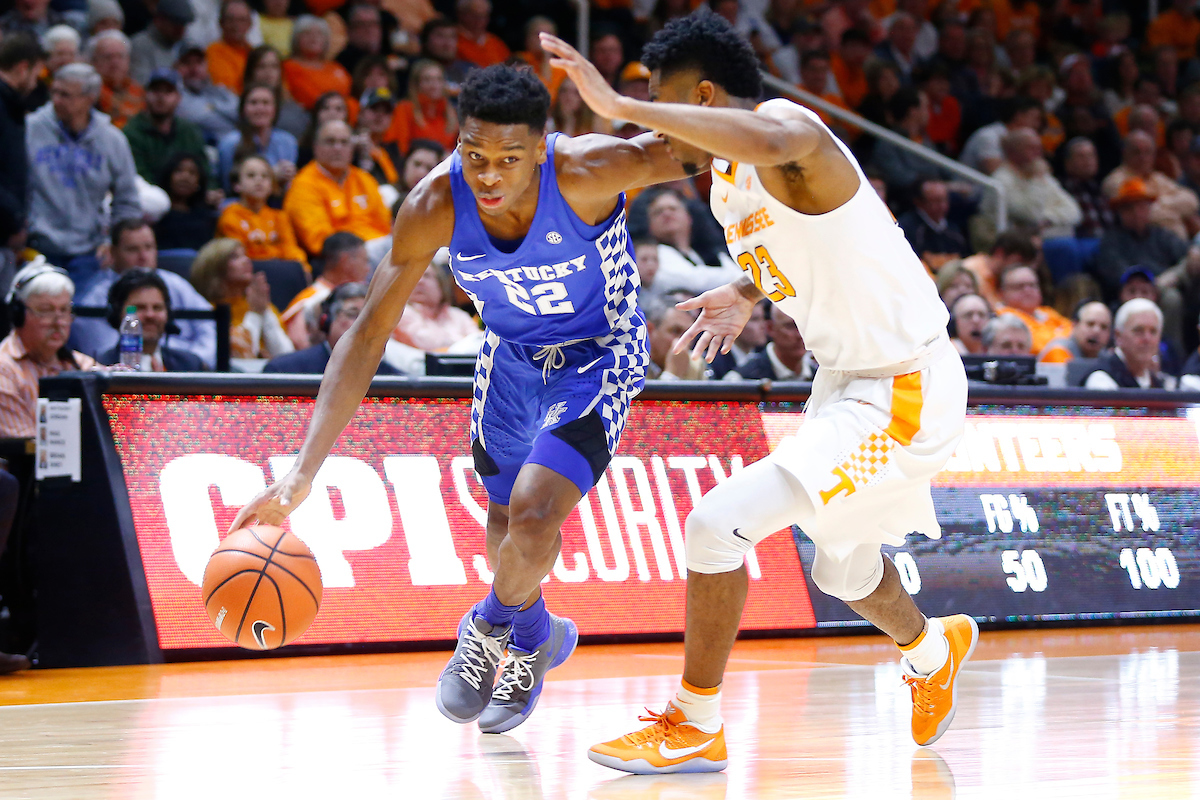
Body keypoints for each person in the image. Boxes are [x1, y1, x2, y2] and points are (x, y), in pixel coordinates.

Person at [542, 13, 976, 773]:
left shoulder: (788, 127)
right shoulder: (723, 185)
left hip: (906, 387)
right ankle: (931, 649)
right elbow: (804, 243)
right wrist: (747, 290)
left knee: (714, 526)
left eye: (666, 103)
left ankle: (695, 723)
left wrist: (622, 106)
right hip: (846, 382)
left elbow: (776, 145)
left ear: (705, 97)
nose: (660, 128)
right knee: (843, 572)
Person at [229, 63, 688, 738]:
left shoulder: (591, 171)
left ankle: (489, 625)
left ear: (541, 147)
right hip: (507, 356)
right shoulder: (434, 204)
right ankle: (538, 635)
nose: (489, 177)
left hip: (599, 352)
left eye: (508, 159)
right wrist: (300, 474)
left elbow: (715, 147)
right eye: (474, 156)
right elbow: (365, 337)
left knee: (534, 515)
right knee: (505, 521)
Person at [26, 62, 141, 286]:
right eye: (55, 92)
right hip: (37, 246)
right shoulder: (30, 129)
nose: (57, 100)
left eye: (66, 95)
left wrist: (114, 242)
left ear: (90, 98)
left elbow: (127, 199)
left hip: (89, 252)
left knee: (85, 317)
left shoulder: (111, 139)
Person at [71, 219, 217, 365]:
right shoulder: (94, 297)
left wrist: (190, 360)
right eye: (133, 249)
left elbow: (210, 329)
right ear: (113, 253)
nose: (143, 256)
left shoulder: (176, 284)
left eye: (148, 247)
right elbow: (105, 353)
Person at [0, 260, 96, 439]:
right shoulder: (3, 370)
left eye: (64, 310)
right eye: (46, 311)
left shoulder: (83, 365)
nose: (58, 322)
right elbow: (28, 450)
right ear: (18, 314)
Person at [284, 120, 392, 261]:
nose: (337, 148)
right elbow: (319, 241)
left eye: (344, 142)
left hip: (379, 249)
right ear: (316, 147)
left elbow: (385, 225)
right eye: (330, 142)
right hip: (339, 258)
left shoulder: (364, 179)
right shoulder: (303, 185)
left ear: (352, 148)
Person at [190, 237, 293, 360]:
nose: (246, 260)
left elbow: (287, 355)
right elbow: (240, 356)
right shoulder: (208, 310)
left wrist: (264, 312)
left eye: (245, 255)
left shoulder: (260, 304)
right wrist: (255, 313)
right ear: (215, 267)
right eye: (235, 257)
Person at [264, 282, 400, 373]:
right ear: (327, 321)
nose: (362, 323)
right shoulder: (284, 371)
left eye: (369, 317)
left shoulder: (394, 380)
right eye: (353, 314)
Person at [94, 268, 207, 371]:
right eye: (139, 308)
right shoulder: (101, 366)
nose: (150, 315)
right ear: (117, 314)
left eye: (157, 308)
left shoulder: (189, 364)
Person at [1094, 178, 1189, 298]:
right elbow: (1117, 273)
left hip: (1167, 284)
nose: (1137, 213)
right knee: (1171, 298)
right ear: (1120, 213)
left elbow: (1186, 255)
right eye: (1129, 208)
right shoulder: (1110, 240)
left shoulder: (1162, 234)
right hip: (1131, 294)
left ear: (1149, 209)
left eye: (1141, 207)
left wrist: (1172, 276)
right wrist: (1148, 285)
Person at [1100, 130, 1200, 241]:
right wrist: (1178, 213)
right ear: (1124, 153)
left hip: (1178, 246)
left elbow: (1191, 200)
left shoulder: (1157, 177)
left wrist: (1159, 204)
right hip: (1141, 245)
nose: (1143, 157)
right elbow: (1141, 215)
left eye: (1148, 152)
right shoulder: (1115, 180)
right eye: (1136, 152)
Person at [217, 155, 309, 268]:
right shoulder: (230, 216)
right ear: (237, 185)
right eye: (251, 175)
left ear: (272, 186)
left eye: (265, 176)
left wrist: (302, 266)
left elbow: (291, 249)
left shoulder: (279, 216)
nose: (259, 180)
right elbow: (238, 260)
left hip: (280, 271)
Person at [279, 231, 367, 348]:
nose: (368, 269)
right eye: (365, 261)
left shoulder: (360, 294)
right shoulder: (311, 300)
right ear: (345, 261)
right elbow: (298, 342)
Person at [124, 69, 209, 187]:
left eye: (168, 92)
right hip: (149, 198)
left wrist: (211, 190)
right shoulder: (131, 132)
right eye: (155, 91)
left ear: (179, 97)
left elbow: (205, 170)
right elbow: (138, 176)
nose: (161, 97)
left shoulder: (189, 131)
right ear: (145, 94)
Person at [0, 34, 45, 254]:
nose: (36, 83)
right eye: (36, 74)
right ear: (22, 67)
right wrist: (14, 220)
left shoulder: (10, 105)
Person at [217, 82, 299, 192]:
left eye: (266, 103)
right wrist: (271, 176)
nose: (260, 108)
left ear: (275, 109)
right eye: (253, 103)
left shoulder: (288, 141)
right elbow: (227, 187)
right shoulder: (230, 143)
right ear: (243, 109)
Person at [1083, 298, 1176, 389]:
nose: (1147, 339)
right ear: (1118, 336)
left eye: (1153, 331)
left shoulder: (1160, 382)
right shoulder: (1101, 380)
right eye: (1139, 330)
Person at [391, 260, 478, 352]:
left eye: (427, 276)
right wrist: (461, 342)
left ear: (440, 284)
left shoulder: (459, 315)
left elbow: (477, 343)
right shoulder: (400, 314)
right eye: (413, 277)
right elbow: (427, 343)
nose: (419, 281)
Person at [994, 264, 1072, 354]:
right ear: (1001, 292)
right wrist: (1060, 337)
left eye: (1032, 285)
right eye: (1019, 286)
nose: (1028, 290)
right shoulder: (1001, 317)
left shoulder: (1048, 312)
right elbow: (1037, 347)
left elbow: (1075, 336)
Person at [175, 40, 240, 142]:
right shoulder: (175, 95)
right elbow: (199, 116)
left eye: (199, 62)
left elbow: (243, 110)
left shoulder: (218, 89)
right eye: (187, 63)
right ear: (176, 67)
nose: (194, 68)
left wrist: (213, 106)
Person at [729, 303, 816, 380]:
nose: (800, 335)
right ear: (770, 328)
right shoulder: (741, 380)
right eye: (791, 326)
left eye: (806, 326)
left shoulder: (821, 377)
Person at [283, 16, 351, 111]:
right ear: (296, 38)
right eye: (307, 33)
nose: (313, 37)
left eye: (319, 33)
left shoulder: (336, 67)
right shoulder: (288, 67)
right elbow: (308, 97)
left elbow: (347, 92)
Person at [154, 152, 219, 250]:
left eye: (192, 173)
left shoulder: (206, 218)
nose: (185, 177)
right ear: (168, 176)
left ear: (199, 182)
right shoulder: (156, 216)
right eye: (178, 171)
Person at [898, 178, 970, 264]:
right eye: (936, 201)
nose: (942, 206)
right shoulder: (906, 227)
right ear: (919, 202)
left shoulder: (955, 231)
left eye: (944, 200)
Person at [1059, 137, 1114, 239]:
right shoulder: (1062, 192)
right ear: (1068, 164)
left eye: (1091, 155)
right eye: (1081, 156)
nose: (1088, 160)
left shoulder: (1101, 189)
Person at [130, 0, 194, 86]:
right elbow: (139, 83)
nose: (181, 30)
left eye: (183, 25)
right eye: (176, 25)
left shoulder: (185, 45)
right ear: (159, 20)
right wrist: (172, 73)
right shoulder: (140, 44)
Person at [89, 30, 142, 129]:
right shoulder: (89, 94)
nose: (115, 63)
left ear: (128, 60)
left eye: (120, 56)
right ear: (94, 62)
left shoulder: (140, 92)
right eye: (108, 57)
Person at [1039, 300, 1111, 362]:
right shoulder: (1058, 351)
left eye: (1104, 327)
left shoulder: (1107, 357)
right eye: (1090, 324)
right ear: (1075, 325)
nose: (1096, 331)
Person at [207, 0, 253, 94]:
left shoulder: (255, 53)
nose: (236, 25)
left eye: (242, 20)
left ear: (250, 24)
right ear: (221, 23)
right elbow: (226, 90)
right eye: (230, 20)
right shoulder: (214, 51)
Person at [454, 0, 508, 68]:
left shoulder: (495, 42)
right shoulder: (453, 39)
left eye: (484, 16)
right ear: (461, 15)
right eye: (475, 15)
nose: (480, 21)